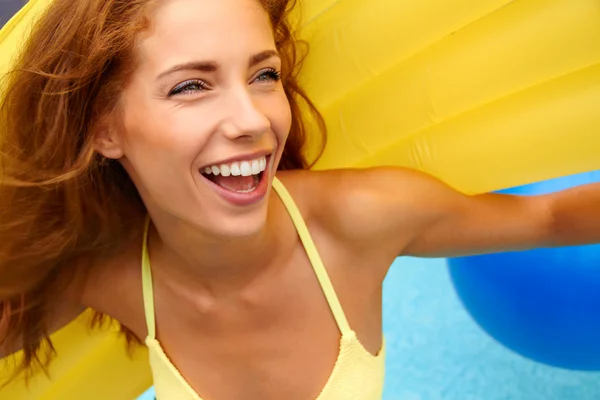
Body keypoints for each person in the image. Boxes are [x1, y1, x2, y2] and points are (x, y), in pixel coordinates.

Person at [0, 0, 599, 399]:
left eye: (265, 76)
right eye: (191, 85)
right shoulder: (107, 272)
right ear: (105, 129)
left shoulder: (357, 220)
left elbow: (546, 217)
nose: (252, 119)